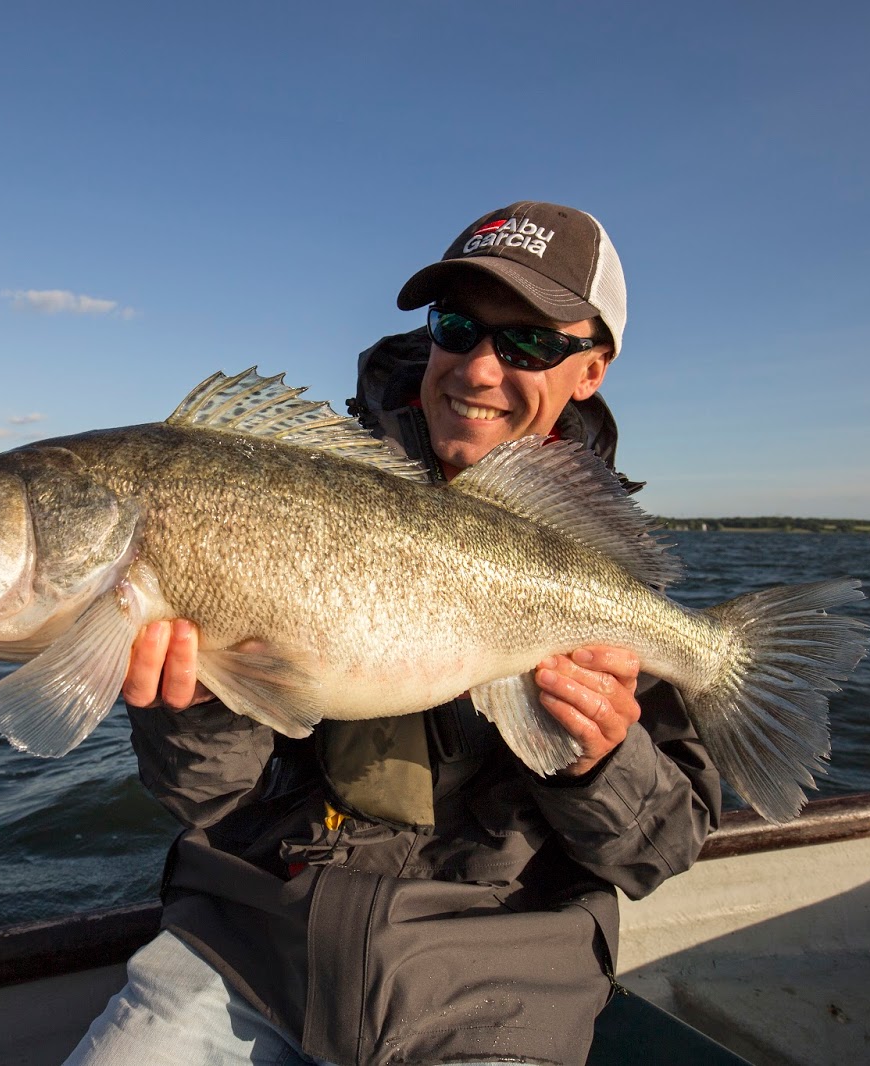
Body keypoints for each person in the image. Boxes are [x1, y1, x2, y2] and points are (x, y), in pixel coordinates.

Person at [65, 201, 720, 1066]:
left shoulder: (597, 573)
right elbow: (209, 802)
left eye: (527, 344)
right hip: (248, 949)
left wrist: (602, 761)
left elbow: (660, 851)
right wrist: (194, 706)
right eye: (457, 326)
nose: (480, 369)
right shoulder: (300, 483)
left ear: (591, 369)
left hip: (497, 982)